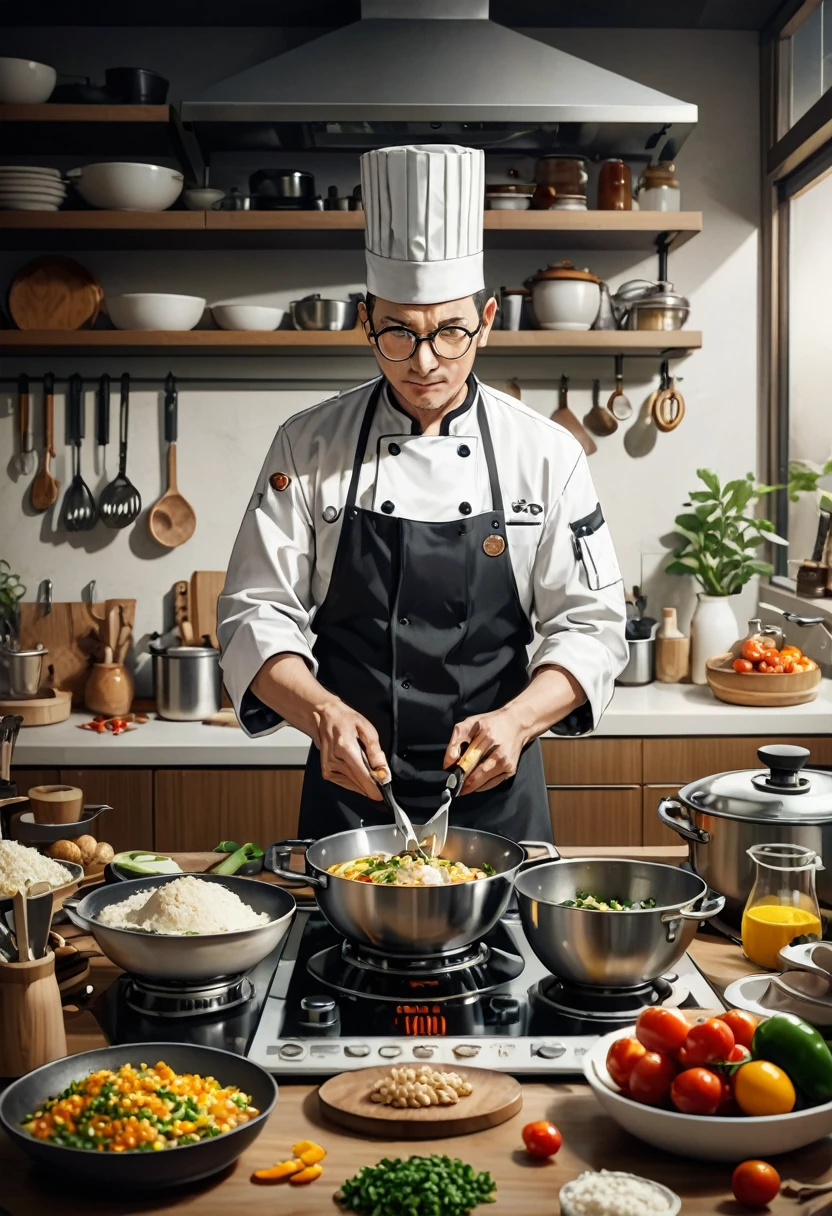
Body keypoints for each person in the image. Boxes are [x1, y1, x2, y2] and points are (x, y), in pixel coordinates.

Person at [218, 144, 627, 843]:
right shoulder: (306, 445)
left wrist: (519, 721)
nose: (426, 361)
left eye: (450, 331)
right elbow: (255, 614)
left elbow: (593, 625)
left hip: (499, 789)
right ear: (366, 322)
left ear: (489, 320)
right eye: (398, 334)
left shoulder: (547, 453)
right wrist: (321, 715)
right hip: (349, 789)